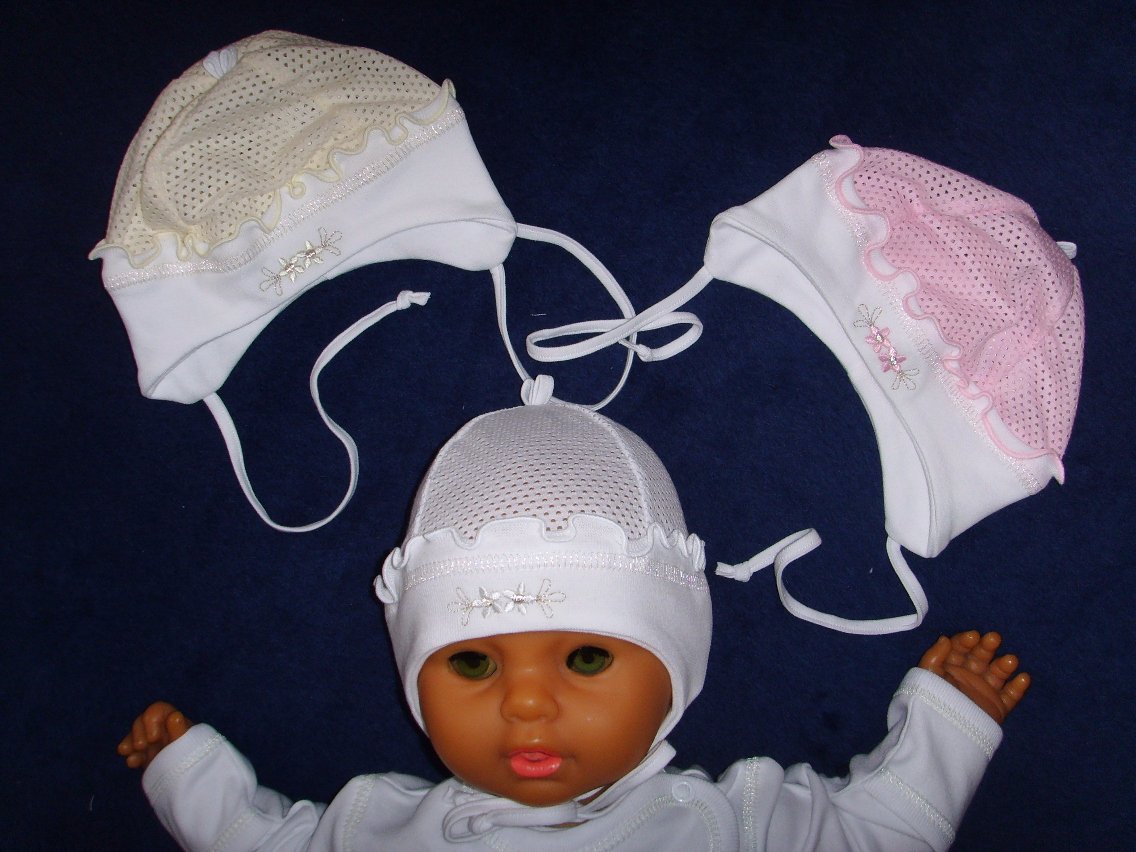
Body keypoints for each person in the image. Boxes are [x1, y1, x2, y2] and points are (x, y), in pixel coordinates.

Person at [119, 399, 1029, 850]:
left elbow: (881, 833)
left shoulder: (728, 824)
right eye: (472, 664)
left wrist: (948, 725)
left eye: (587, 657)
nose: (526, 706)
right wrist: (190, 777)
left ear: (676, 678)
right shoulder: (378, 829)